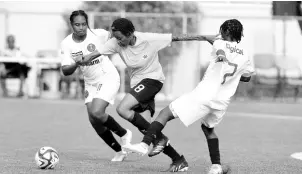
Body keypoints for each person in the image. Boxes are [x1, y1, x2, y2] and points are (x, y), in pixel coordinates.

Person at [75, 17, 217, 172]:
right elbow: (95, 53)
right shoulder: (115, 42)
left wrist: (205, 38)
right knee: (148, 130)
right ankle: (178, 160)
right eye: (115, 38)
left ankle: (161, 141)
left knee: (122, 109)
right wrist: (83, 59)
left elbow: (178, 37)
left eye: (121, 38)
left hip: (153, 80)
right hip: (138, 85)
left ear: (130, 34)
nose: (118, 41)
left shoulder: (149, 39)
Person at [124, 19, 254, 174]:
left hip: (204, 95)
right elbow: (247, 77)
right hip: (221, 101)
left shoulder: (220, 43)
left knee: (164, 114)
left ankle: (144, 144)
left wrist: (221, 56)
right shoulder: (246, 55)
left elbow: (220, 50)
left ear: (225, 32)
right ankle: (216, 166)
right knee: (208, 128)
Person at [60, 10, 132, 162]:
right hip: (90, 83)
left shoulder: (99, 34)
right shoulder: (66, 44)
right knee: (94, 121)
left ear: (87, 24)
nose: (81, 27)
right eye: (77, 25)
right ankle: (119, 151)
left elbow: (119, 36)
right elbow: (65, 70)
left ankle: (124, 133)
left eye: (84, 24)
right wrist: (76, 63)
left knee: (97, 112)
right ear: (71, 25)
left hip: (107, 76)